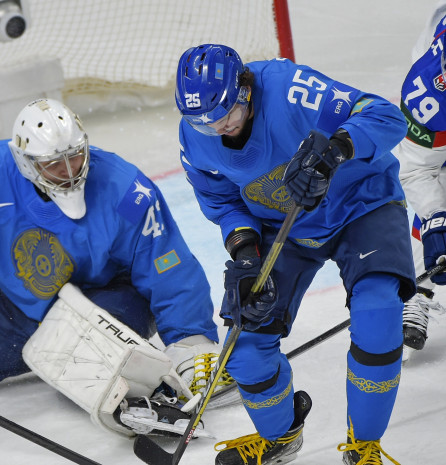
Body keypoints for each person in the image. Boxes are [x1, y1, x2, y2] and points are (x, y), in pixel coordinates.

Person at [0, 97, 236, 437]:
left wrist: (190, 341)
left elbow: (168, 266)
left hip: (108, 301)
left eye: (75, 155)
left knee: (108, 361)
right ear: (24, 161)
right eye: (53, 163)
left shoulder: (126, 189)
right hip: (21, 302)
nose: (70, 169)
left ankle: (92, 360)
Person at [175, 44, 415, 465]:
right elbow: (223, 202)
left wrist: (336, 150)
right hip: (282, 226)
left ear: (244, 89)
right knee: (245, 345)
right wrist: (246, 253)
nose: (219, 128)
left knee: (378, 312)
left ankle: (364, 448)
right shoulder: (197, 136)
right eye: (205, 122)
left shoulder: (290, 90)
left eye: (226, 112)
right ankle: (281, 436)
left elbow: (386, 116)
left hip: (362, 205)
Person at [393, 3, 446, 362]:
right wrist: (435, 217)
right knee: (435, 204)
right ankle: (416, 288)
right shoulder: (428, 91)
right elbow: (417, 170)